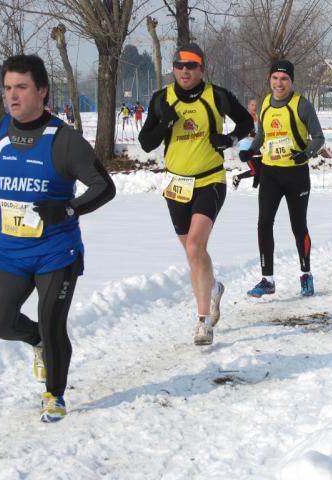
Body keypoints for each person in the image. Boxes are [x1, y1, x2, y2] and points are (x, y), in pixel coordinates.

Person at [0, 54, 116, 422]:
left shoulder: (64, 140)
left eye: (21, 87)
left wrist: (66, 208)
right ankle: (37, 342)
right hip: (9, 252)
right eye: (7, 88)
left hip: (56, 252)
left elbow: (104, 186)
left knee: (51, 322)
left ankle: (55, 394)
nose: (12, 96)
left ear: (42, 91)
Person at [138, 43, 252, 346]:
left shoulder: (216, 95)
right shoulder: (162, 99)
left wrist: (229, 139)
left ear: (201, 69)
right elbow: (146, 143)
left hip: (209, 180)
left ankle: (203, 321)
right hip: (176, 185)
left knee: (194, 246)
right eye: (179, 66)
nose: (185, 71)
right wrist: (165, 122)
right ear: (173, 69)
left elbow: (246, 121)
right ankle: (213, 289)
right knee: (193, 253)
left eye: (191, 66)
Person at [240, 60, 325, 298]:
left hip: (296, 174)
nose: (279, 83)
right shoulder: (265, 103)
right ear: (270, 79)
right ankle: (268, 279)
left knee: (298, 226)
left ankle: (306, 274)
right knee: (264, 223)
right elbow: (262, 135)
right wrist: (251, 150)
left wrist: (305, 154)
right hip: (270, 173)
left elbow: (318, 138)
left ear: (291, 81)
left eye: (284, 79)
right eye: (275, 78)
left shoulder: (302, 105)